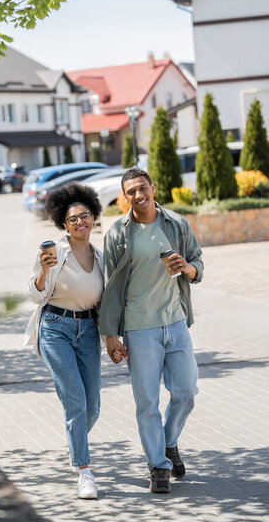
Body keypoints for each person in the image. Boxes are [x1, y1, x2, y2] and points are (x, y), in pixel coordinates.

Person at [99, 167, 203, 494]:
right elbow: (111, 288)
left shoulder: (176, 223)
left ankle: (169, 442)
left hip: (175, 321)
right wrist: (110, 334)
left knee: (186, 392)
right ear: (124, 196)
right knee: (147, 401)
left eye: (142, 188)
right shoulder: (118, 234)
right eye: (131, 191)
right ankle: (158, 464)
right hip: (138, 328)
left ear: (153, 188)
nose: (138, 195)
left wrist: (187, 268)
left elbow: (197, 263)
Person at [25, 182, 103, 499]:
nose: (81, 222)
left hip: (88, 331)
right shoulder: (54, 253)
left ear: (94, 217)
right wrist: (43, 272)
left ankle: (75, 441)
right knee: (75, 401)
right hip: (55, 328)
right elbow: (34, 294)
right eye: (73, 219)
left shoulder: (101, 255)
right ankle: (84, 471)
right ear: (63, 223)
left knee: (92, 407)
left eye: (85, 215)